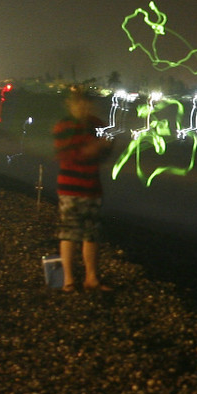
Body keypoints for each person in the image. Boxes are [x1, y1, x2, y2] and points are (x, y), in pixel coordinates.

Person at [53, 87, 113, 292]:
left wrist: (106, 147)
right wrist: (94, 148)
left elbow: (102, 155)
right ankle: (68, 279)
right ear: (70, 104)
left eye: (87, 103)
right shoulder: (63, 126)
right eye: (78, 103)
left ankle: (91, 278)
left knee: (91, 234)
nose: (83, 107)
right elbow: (66, 155)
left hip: (92, 187)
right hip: (70, 188)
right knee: (69, 233)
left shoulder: (97, 125)